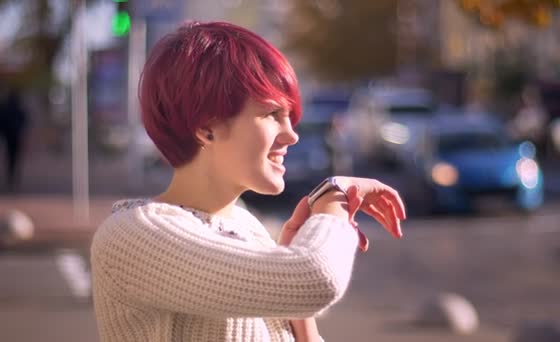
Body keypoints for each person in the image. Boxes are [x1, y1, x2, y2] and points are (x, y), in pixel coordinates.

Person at [90, 21, 406, 342]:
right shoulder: (131, 237)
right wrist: (333, 199)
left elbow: (304, 286)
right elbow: (316, 277)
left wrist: (294, 308)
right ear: (206, 127)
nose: (291, 135)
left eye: (290, 117)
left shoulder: (246, 226)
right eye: (272, 114)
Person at [0, 86, 28, 192]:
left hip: (9, 136)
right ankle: (13, 178)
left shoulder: (5, 107)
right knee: (14, 158)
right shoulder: (17, 108)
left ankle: (12, 178)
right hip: (14, 136)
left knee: (11, 157)